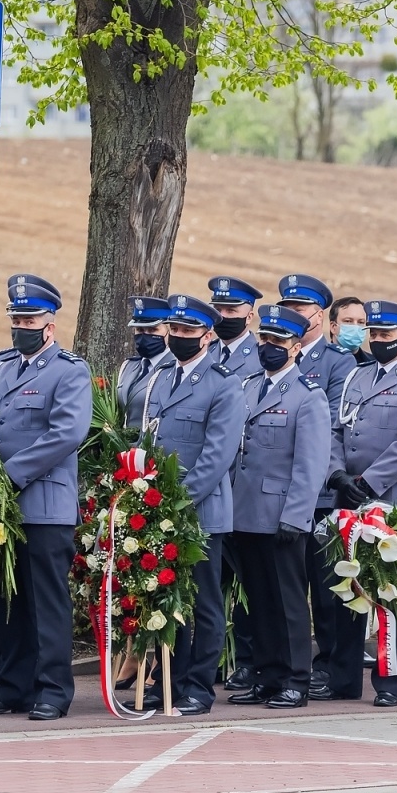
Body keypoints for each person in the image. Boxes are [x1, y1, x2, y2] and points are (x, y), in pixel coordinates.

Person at [0, 274, 91, 721]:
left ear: (49, 325)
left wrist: (9, 473)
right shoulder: (2, 367)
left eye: (28, 318)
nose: (19, 325)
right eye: (15, 318)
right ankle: (11, 686)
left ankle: (52, 690)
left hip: (43, 504)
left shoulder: (68, 370)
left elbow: (67, 434)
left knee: (45, 601)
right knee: (5, 599)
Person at [319, 300, 397, 707]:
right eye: (374, 334)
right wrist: (338, 473)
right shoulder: (358, 375)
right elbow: (337, 430)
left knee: (389, 592)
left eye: (386, 335)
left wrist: (369, 481)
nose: (378, 341)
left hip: (389, 497)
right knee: (345, 584)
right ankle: (343, 677)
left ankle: (391, 682)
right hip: (348, 495)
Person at [226, 305, 331, 710]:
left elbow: (310, 465)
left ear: (294, 347)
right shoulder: (249, 387)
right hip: (246, 512)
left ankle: (296, 679)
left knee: (287, 601)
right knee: (259, 600)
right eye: (263, 340)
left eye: (277, 342)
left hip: (282, 515)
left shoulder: (308, 398)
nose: (267, 347)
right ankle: (267, 676)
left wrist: (296, 515)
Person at [143, 294, 245, 715]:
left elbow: (217, 455)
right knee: (165, 597)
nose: (180, 337)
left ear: (206, 335)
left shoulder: (223, 384)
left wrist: (179, 501)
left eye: (188, 331)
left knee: (203, 602)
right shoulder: (160, 376)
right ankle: (167, 679)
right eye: (175, 330)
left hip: (197, 511)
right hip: (158, 507)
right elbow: (147, 437)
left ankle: (199, 686)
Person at [275, 274, 358, 682]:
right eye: (287, 308)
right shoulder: (272, 356)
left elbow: (333, 429)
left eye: (300, 309)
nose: (293, 315)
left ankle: (327, 663)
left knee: (325, 590)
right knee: (282, 586)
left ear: (319, 315)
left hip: (321, 493)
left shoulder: (339, 363)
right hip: (278, 491)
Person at [118, 295, 175, 429]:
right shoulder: (129, 366)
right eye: (140, 330)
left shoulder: (175, 369)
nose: (145, 335)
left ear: (169, 331)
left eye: (153, 330)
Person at [208, 276, 263, 381]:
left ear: (249, 317)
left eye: (230, 311)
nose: (222, 316)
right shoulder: (205, 351)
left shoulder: (260, 358)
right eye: (218, 309)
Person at [329, 296, 372, 364]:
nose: (355, 327)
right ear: (333, 327)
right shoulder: (319, 362)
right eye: (348, 321)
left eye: (361, 322)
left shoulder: (373, 363)